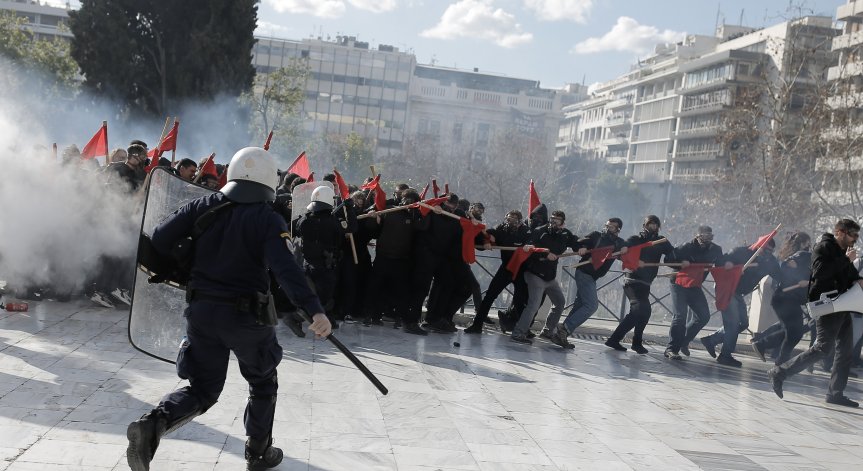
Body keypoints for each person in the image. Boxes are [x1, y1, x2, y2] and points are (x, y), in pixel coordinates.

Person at [125, 147, 331, 471]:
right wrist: (315, 310)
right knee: (262, 381)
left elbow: (160, 240)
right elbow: (286, 269)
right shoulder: (267, 218)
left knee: (202, 388)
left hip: (201, 311)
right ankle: (259, 453)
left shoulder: (202, 205)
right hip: (246, 317)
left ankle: (153, 424)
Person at [768, 219, 863, 407]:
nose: (856, 239)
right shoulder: (824, 247)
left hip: (842, 304)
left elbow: (847, 274)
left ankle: (835, 393)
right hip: (827, 304)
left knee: (844, 351)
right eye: (853, 235)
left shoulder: (841, 252)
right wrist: (846, 260)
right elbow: (820, 272)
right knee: (822, 348)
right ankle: (779, 372)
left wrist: (857, 279)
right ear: (841, 232)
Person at [700, 238, 780, 366]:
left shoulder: (770, 261)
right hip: (727, 288)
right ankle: (725, 355)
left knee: (743, 323)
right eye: (765, 249)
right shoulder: (741, 252)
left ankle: (712, 340)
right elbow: (720, 262)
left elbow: (780, 275)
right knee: (733, 324)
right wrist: (728, 265)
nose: (767, 253)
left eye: (770, 251)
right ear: (758, 246)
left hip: (738, 293)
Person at [511, 210, 583, 345]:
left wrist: (582, 248)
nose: (553, 222)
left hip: (550, 277)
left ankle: (548, 331)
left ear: (562, 223)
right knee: (534, 305)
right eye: (552, 219)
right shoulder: (539, 231)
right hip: (535, 274)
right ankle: (518, 333)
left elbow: (576, 243)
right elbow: (530, 248)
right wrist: (545, 254)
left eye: (557, 220)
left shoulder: (565, 234)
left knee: (560, 302)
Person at [605, 215, 673, 353]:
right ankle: (616, 340)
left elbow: (673, 254)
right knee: (638, 310)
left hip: (645, 283)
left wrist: (675, 259)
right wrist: (635, 260)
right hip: (632, 281)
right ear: (644, 226)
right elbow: (621, 251)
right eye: (650, 224)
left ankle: (634, 343)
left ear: (658, 227)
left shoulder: (661, 241)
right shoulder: (636, 239)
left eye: (655, 224)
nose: (652, 227)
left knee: (644, 312)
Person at [553, 218, 626, 345]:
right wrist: (583, 247)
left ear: (618, 230)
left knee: (580, 305)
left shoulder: (619, 243)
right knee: (592, 305)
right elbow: (580, 242)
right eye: (607, 225)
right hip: (584, 272)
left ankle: (561, 335)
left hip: (593, 277)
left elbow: (629, 248)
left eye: (612, 227)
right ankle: (565, 328)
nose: (608, 229)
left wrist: (626, 248)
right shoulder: (596, 235)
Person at [664, 226, 724, 361]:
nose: (706, 240)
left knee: (703, 316)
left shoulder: (716, 250)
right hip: (678, 283)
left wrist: (732, 266)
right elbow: (667, 259)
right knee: (680, 317)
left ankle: (684, 341)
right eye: (704, 236)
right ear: (697, 236)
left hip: (695, 285)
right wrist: (680, 264)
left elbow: (721, 266)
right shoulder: (686, 247)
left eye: (709, 237)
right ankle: (671, 349)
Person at [751, 232, 812, 365]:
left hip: (786, 299)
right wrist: (803, 280)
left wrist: (804, 279)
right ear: (803, 243)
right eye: (808, 242)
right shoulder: (803, 255)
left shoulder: (796, 256)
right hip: (786, 299)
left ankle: (770, 350)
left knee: (792, 331)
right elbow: (785, 267)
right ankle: (774, 355)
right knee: (794, 332)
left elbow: (787, 269)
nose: (809, 245)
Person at [465, 210, 530, 333]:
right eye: (509, 219)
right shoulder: (502, 228)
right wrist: (487, 242)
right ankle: (477, 325)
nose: (511, 222)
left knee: (520, 300)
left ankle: (523, 329)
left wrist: (528, 246)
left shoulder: (526, 231)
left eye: (514, 220)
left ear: (520, 221)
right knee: (489, 296)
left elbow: (532, 243)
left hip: (520, 270)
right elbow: (488, 235)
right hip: (506, 268)